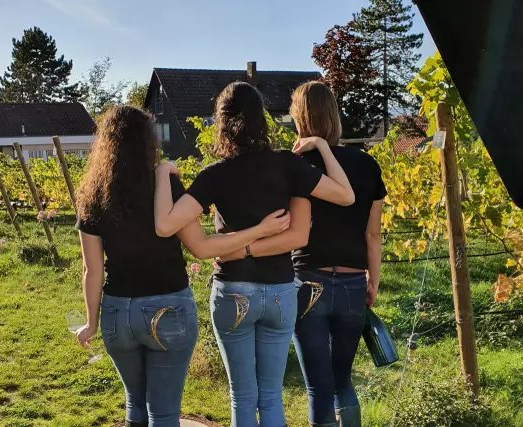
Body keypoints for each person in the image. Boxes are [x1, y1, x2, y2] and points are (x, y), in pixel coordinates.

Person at [73, 105, 292, 427]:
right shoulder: (167, 189)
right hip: (167, 309)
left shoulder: (93, 195)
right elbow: (201, 246)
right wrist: (259, 231)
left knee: (135, 406)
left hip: (118, 312)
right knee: (163, 415)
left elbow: (92, 270)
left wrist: (91, 322)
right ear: (149, 142)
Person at [154, 81, 355, 427]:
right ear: (261, 119)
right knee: (272, 396)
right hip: (279, 292)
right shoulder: (286, 166)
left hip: (233, 291)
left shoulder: (214, 175)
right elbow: (345, 196)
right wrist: (322, 145)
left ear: (221, 123)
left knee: (242, 397)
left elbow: (166, 225)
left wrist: (161, 173)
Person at [221, 82, 386, 426]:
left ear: (299, 118)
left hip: (307, 281)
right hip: (354, 282)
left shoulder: (295, 164)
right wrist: (374, 280)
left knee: (318, 386)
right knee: (342, 380)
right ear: (335, 116)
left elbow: (287, 227)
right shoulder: (368, 165)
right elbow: (373, 234)